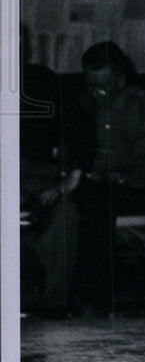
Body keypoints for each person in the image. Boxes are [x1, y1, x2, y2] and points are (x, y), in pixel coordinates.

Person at [74, 41, 145, 314]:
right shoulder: (80, 104)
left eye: (104, 86)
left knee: (102, 219)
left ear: (121, 79)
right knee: (84, 213)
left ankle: (103, 302)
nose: (97, 94)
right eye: (91, 85)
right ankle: (91, 303)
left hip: (137, 189)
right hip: (92, 188)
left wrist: (124, 178)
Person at [19, 33, 93, 318]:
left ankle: (52, 308)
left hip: (38, 178)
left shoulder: (43, 81)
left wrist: (72, 175)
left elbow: (80, 127)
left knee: (66, 216)